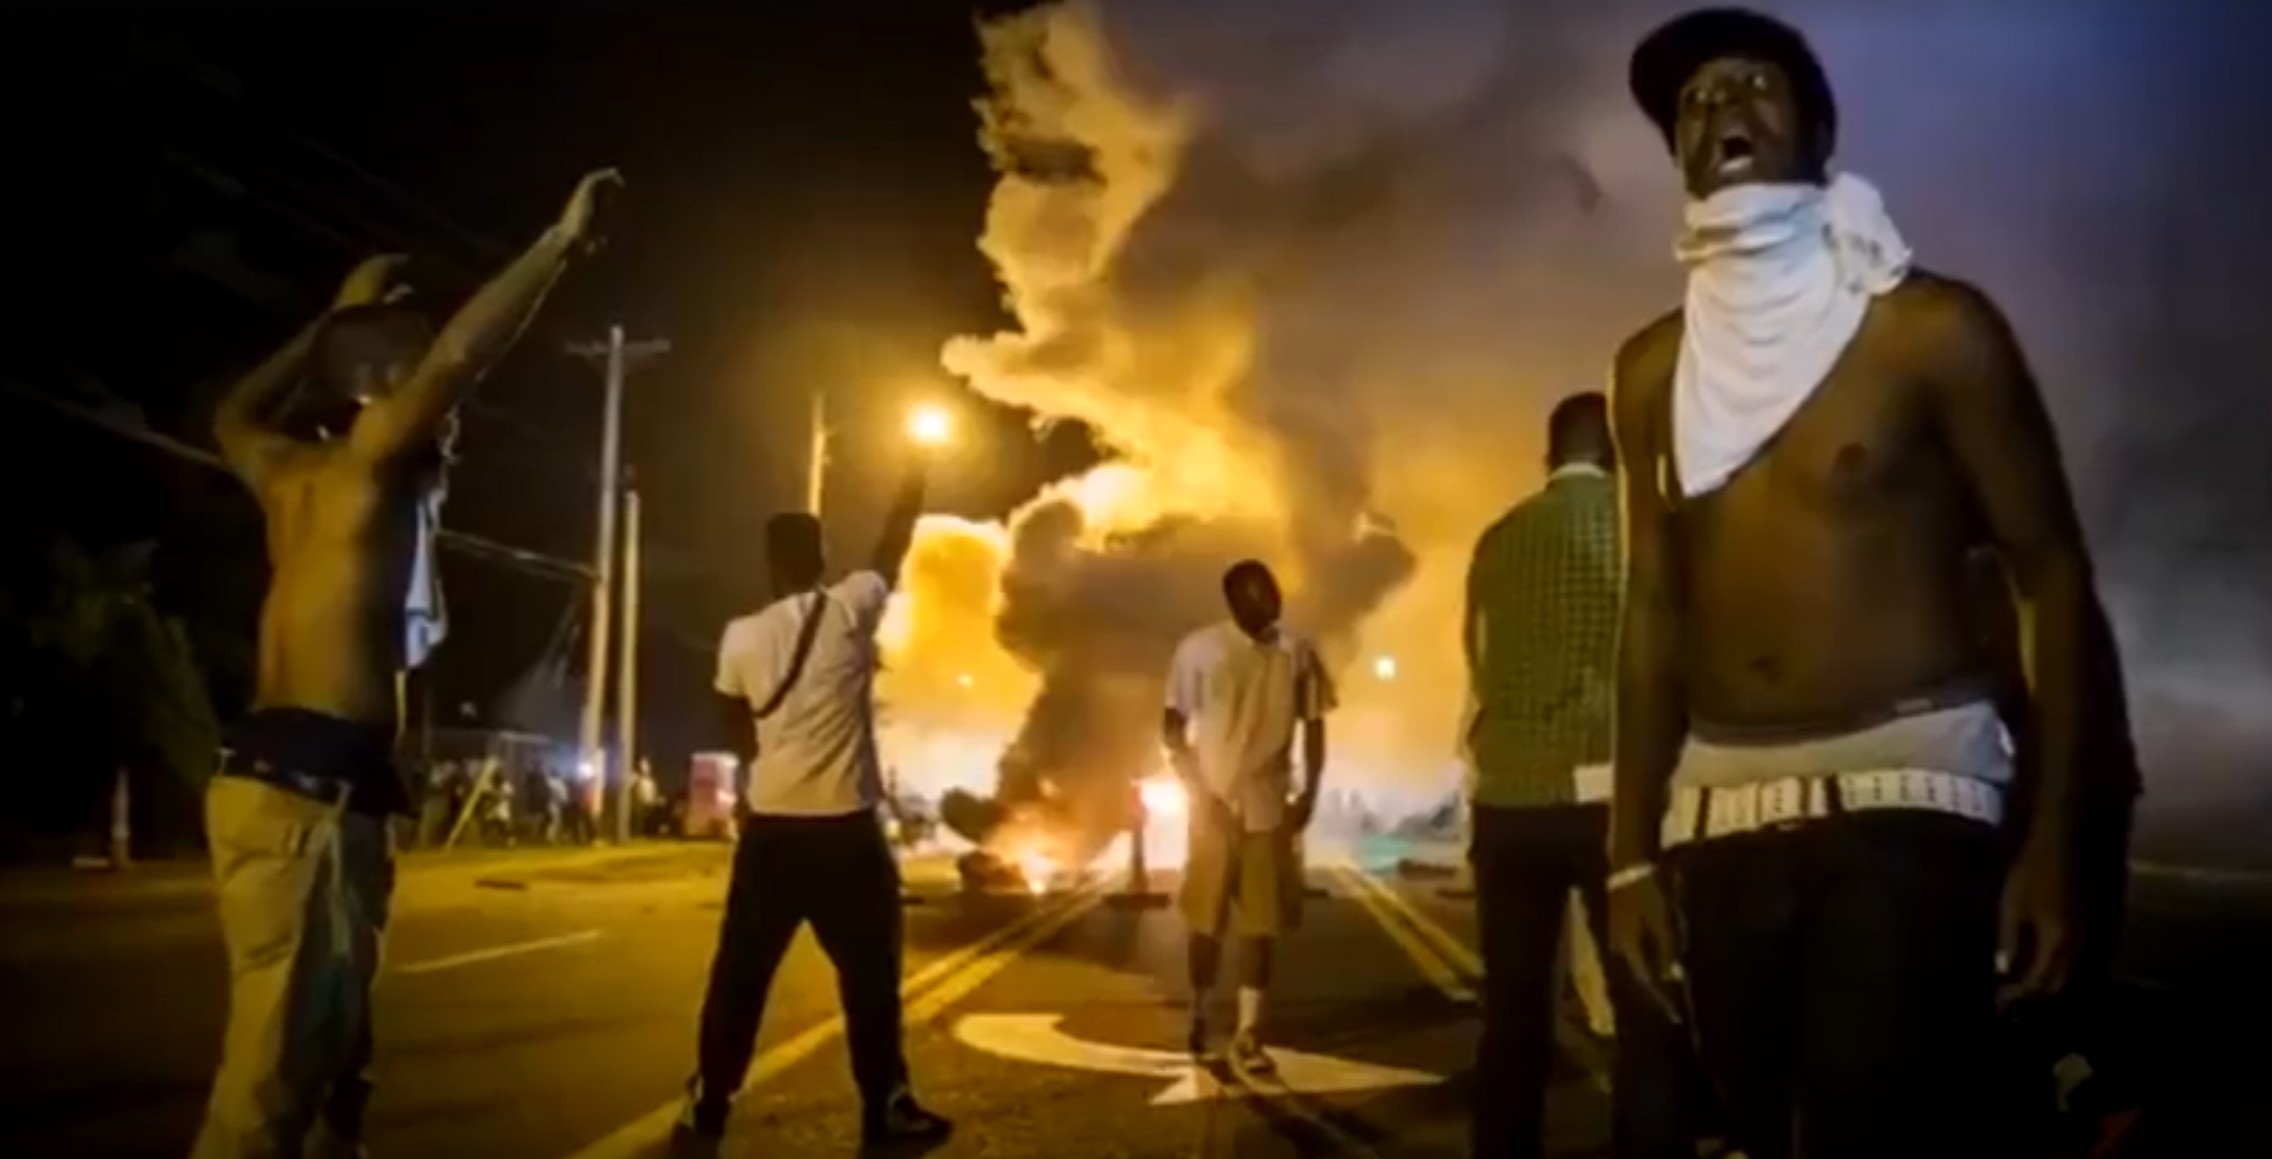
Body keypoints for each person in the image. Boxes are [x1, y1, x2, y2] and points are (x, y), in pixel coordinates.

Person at [1603, 9, 2109, 1158]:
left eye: (1753, 83)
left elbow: (2049, 570)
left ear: (1820, 133)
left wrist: (2056, 838)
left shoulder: (1928, 331)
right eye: (1692, 102)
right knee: (1753, 1126)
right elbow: (1653, 610)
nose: (1719, 107)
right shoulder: (1648, 371)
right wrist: (1629, 851)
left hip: (1908, 792)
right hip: (1721, 808)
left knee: (1864, 1127)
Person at [193, 168, 618, 1159]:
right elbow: (465, 354)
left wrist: (330, 327)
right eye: (415, 376)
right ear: (379, 382)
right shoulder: (368, 461)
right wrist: (559, 243)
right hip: (309, 806)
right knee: (268, 1090)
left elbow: (230, 416)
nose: (447, 419)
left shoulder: (286, 472)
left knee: (336, 1069)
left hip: (288, 791)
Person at [1460, 392, 1710, 1159]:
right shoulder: (1645, 525)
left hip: (1508, 798)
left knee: (1513, 1016)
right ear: (1620, 455)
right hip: (1612, 799)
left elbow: (1479, 660)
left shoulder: (1498, 538)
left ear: (1550, 456)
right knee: (1646, 1010)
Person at [675, 459, 949, 1154]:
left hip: (771, 834)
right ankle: (886, 1108)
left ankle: (708, 1107)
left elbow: (732, 720)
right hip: (846, 834)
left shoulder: (740, 636)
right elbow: (892, 545)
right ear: (822, 558)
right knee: (870, 980)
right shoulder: (850, 609)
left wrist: (773, 757)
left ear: (770, 565)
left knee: (739, 978)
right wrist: (913, 476)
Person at [1162, 560, 1336, 1071]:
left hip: (1267, 807)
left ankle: (1248, 1034)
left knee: (1261, 925)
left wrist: (1310, 793)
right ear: (1235, 600)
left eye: (1274, 588)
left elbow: (1315, 725)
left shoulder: (1297, 653)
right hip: (1212, 808)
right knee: (1205, 921)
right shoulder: (1200, 649)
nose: (1273, 598)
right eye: (1260, 591)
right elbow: (1172, 727)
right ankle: (1199, 1007)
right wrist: (1197, 791)